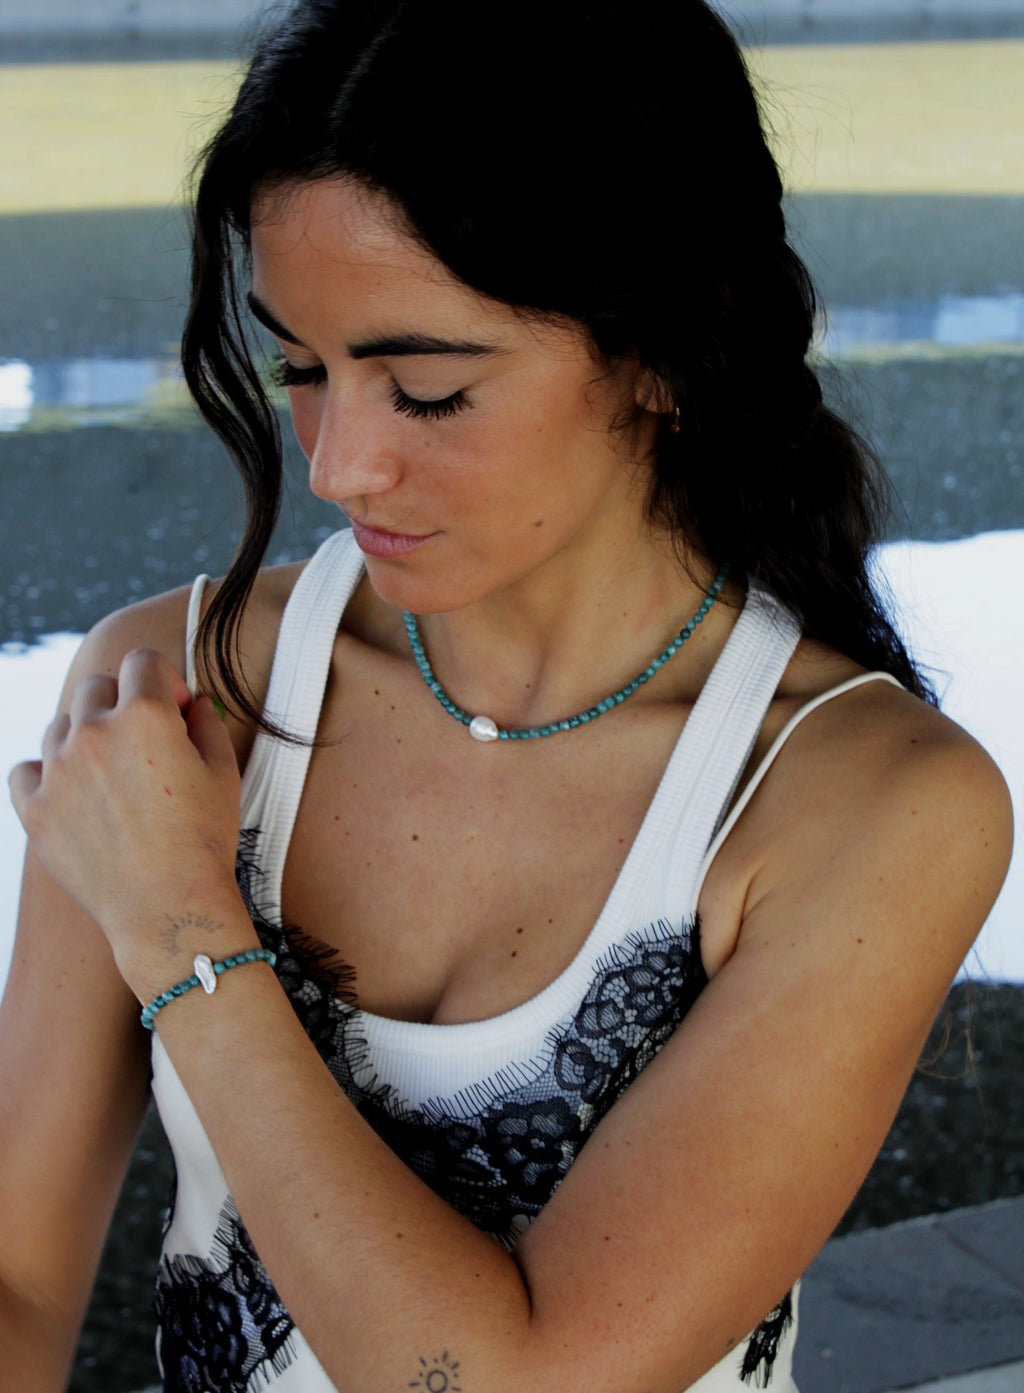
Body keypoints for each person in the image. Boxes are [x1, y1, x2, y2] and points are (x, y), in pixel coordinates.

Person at [0, 1, 1012, 1390]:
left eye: (422, 389)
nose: (340, 466)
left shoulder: (868, 804)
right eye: (301, 366)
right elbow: (16, 1280)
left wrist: (181, 930)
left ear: (660, 351)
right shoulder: (182, 687)